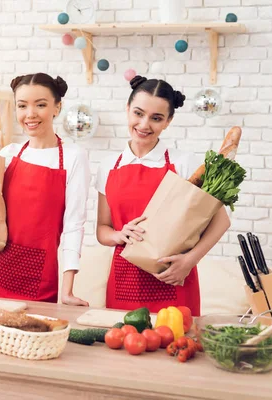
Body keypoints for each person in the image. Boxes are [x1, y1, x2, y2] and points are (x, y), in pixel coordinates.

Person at [0, 73, 90, 306]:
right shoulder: (7, 154)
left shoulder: (73, 158)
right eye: (22, 106)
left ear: (57, 108)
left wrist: (67, 290)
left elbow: (74, 225)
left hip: (38, 281)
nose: (30, 114)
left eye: (40, 105)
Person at [95, 75, 231, 316]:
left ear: (168, 121)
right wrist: (119, 234)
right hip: (124, 282)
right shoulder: (108, 166)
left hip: (172, 279)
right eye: (138, 113)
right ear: (127, 110)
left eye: (156, 118)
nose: (144, 124)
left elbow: (221, 221)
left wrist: (189, 262)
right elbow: (102, 230)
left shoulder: (183, 163)